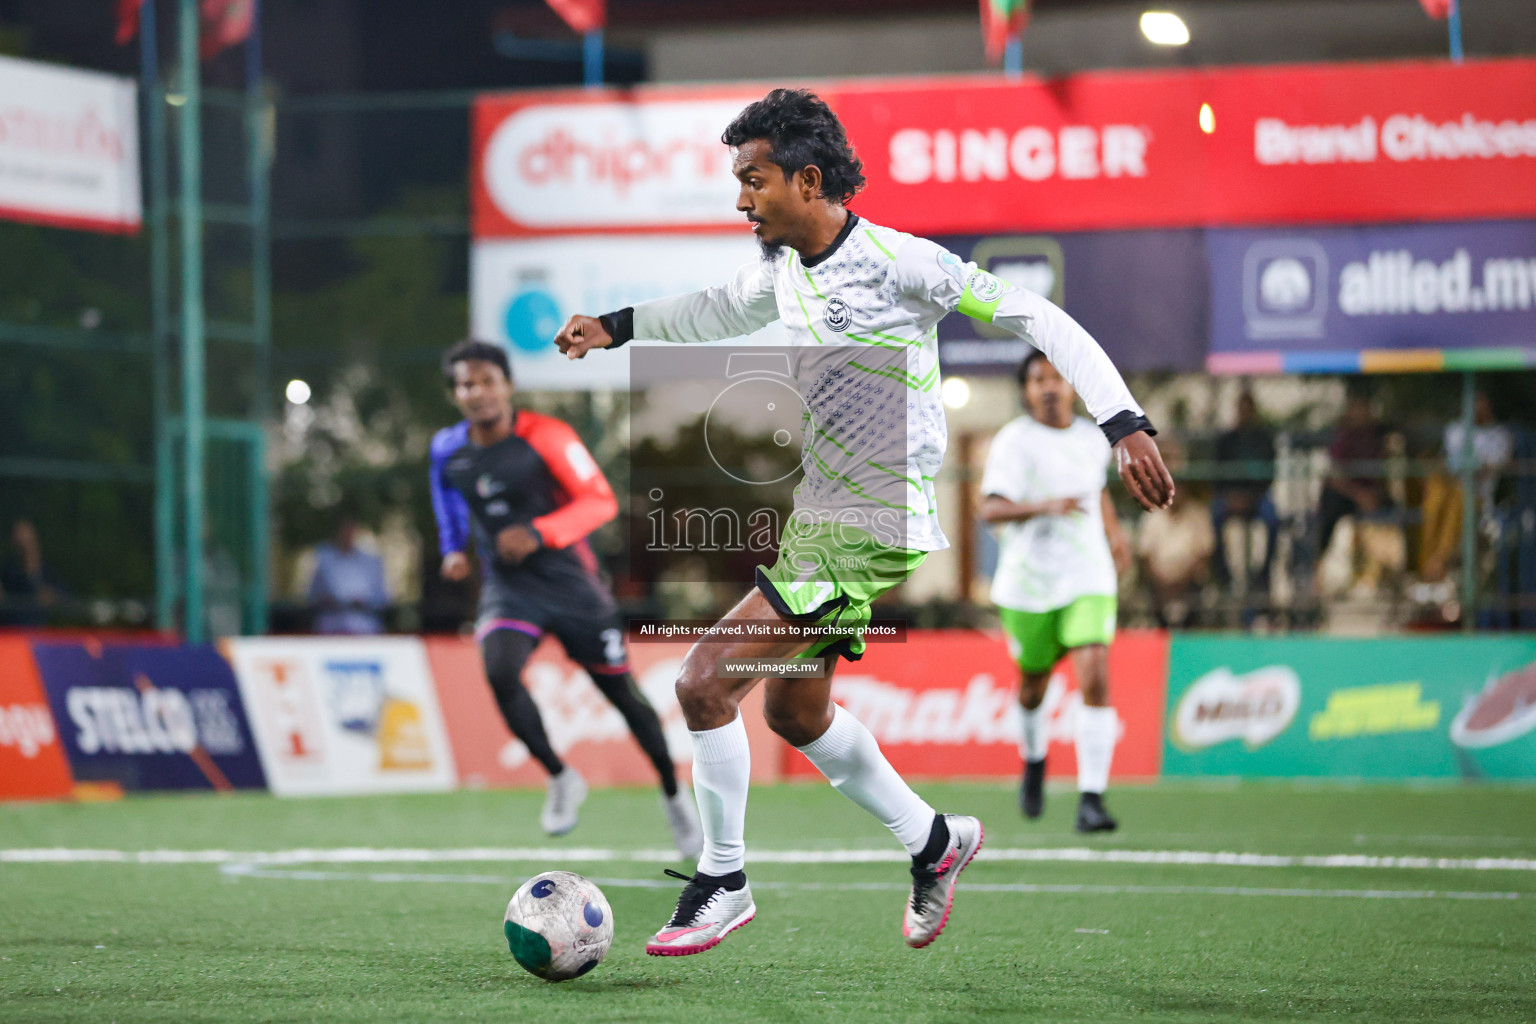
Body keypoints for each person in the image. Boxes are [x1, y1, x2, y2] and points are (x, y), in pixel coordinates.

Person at [554, 89, 1174, 956]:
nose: (741, 199)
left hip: (872, 518)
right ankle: (934, 842)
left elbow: (1040, 317)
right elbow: (713, 311)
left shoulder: (900, 262)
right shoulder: (780, 271)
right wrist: (615, 328)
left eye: (753, 179)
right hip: (823, 518)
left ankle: (722, 878)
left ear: (808, 180)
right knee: (797, 717)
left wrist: (1121, 420)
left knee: (702, 682)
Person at [429, 340, 701, 858]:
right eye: (466, 383)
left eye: (488, 380)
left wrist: (540, 531)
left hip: (573, 586)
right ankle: (561, 776)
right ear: (455, 394)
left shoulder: (546, 436)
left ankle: (673, 794)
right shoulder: (446, 448)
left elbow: (599, 501)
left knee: (627, 701)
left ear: (507, 385)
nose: (478, 392)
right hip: (510, 589)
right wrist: (451, 549)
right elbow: (446, 498)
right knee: (499, 670)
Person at [979, 351, 1131, 833]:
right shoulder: (1014, 441)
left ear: (1072, 385)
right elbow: (989, 510)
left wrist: (1115, 532)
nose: (1049, 386)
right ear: (1026, 390)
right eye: (1038, 378)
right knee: (1032, 687)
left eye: (1057, 377)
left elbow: (1096, 491)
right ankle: (1034, 759)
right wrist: (1047, 506)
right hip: (1028, 582)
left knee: (1095, 672)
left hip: (1087, 575)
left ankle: (1092, 799)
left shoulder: (1092, 439)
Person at [1210, 390, 1278, 594]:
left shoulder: (1263, 439)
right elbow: (1217, 473)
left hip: (1257, 498)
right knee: (1213, 516)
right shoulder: (1227, 440)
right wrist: (1232, 497)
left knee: (1273, 518)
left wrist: (1250, 497)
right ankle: (1223, 575)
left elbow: (1270, 474)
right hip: (1229, 497)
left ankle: (1264, 575)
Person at [308, 519, 390, 635]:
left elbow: (382, 599)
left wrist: (363, 603)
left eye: (351, 530)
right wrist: (327, 601)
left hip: (363, 627)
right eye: (344, 530)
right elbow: (312, 596)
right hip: (331, 627)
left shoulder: (370, 562)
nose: (347, 534)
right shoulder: (324, 560)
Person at [0, 519, 57, 626]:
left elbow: (69, 600)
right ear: (13, 544)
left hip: (47, 635)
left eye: (29, 542)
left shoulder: (49, 572)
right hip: (13, 635)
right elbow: (9, 607)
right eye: (21, 543)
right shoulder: (8, 573)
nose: (26, 548)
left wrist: (53, 597)